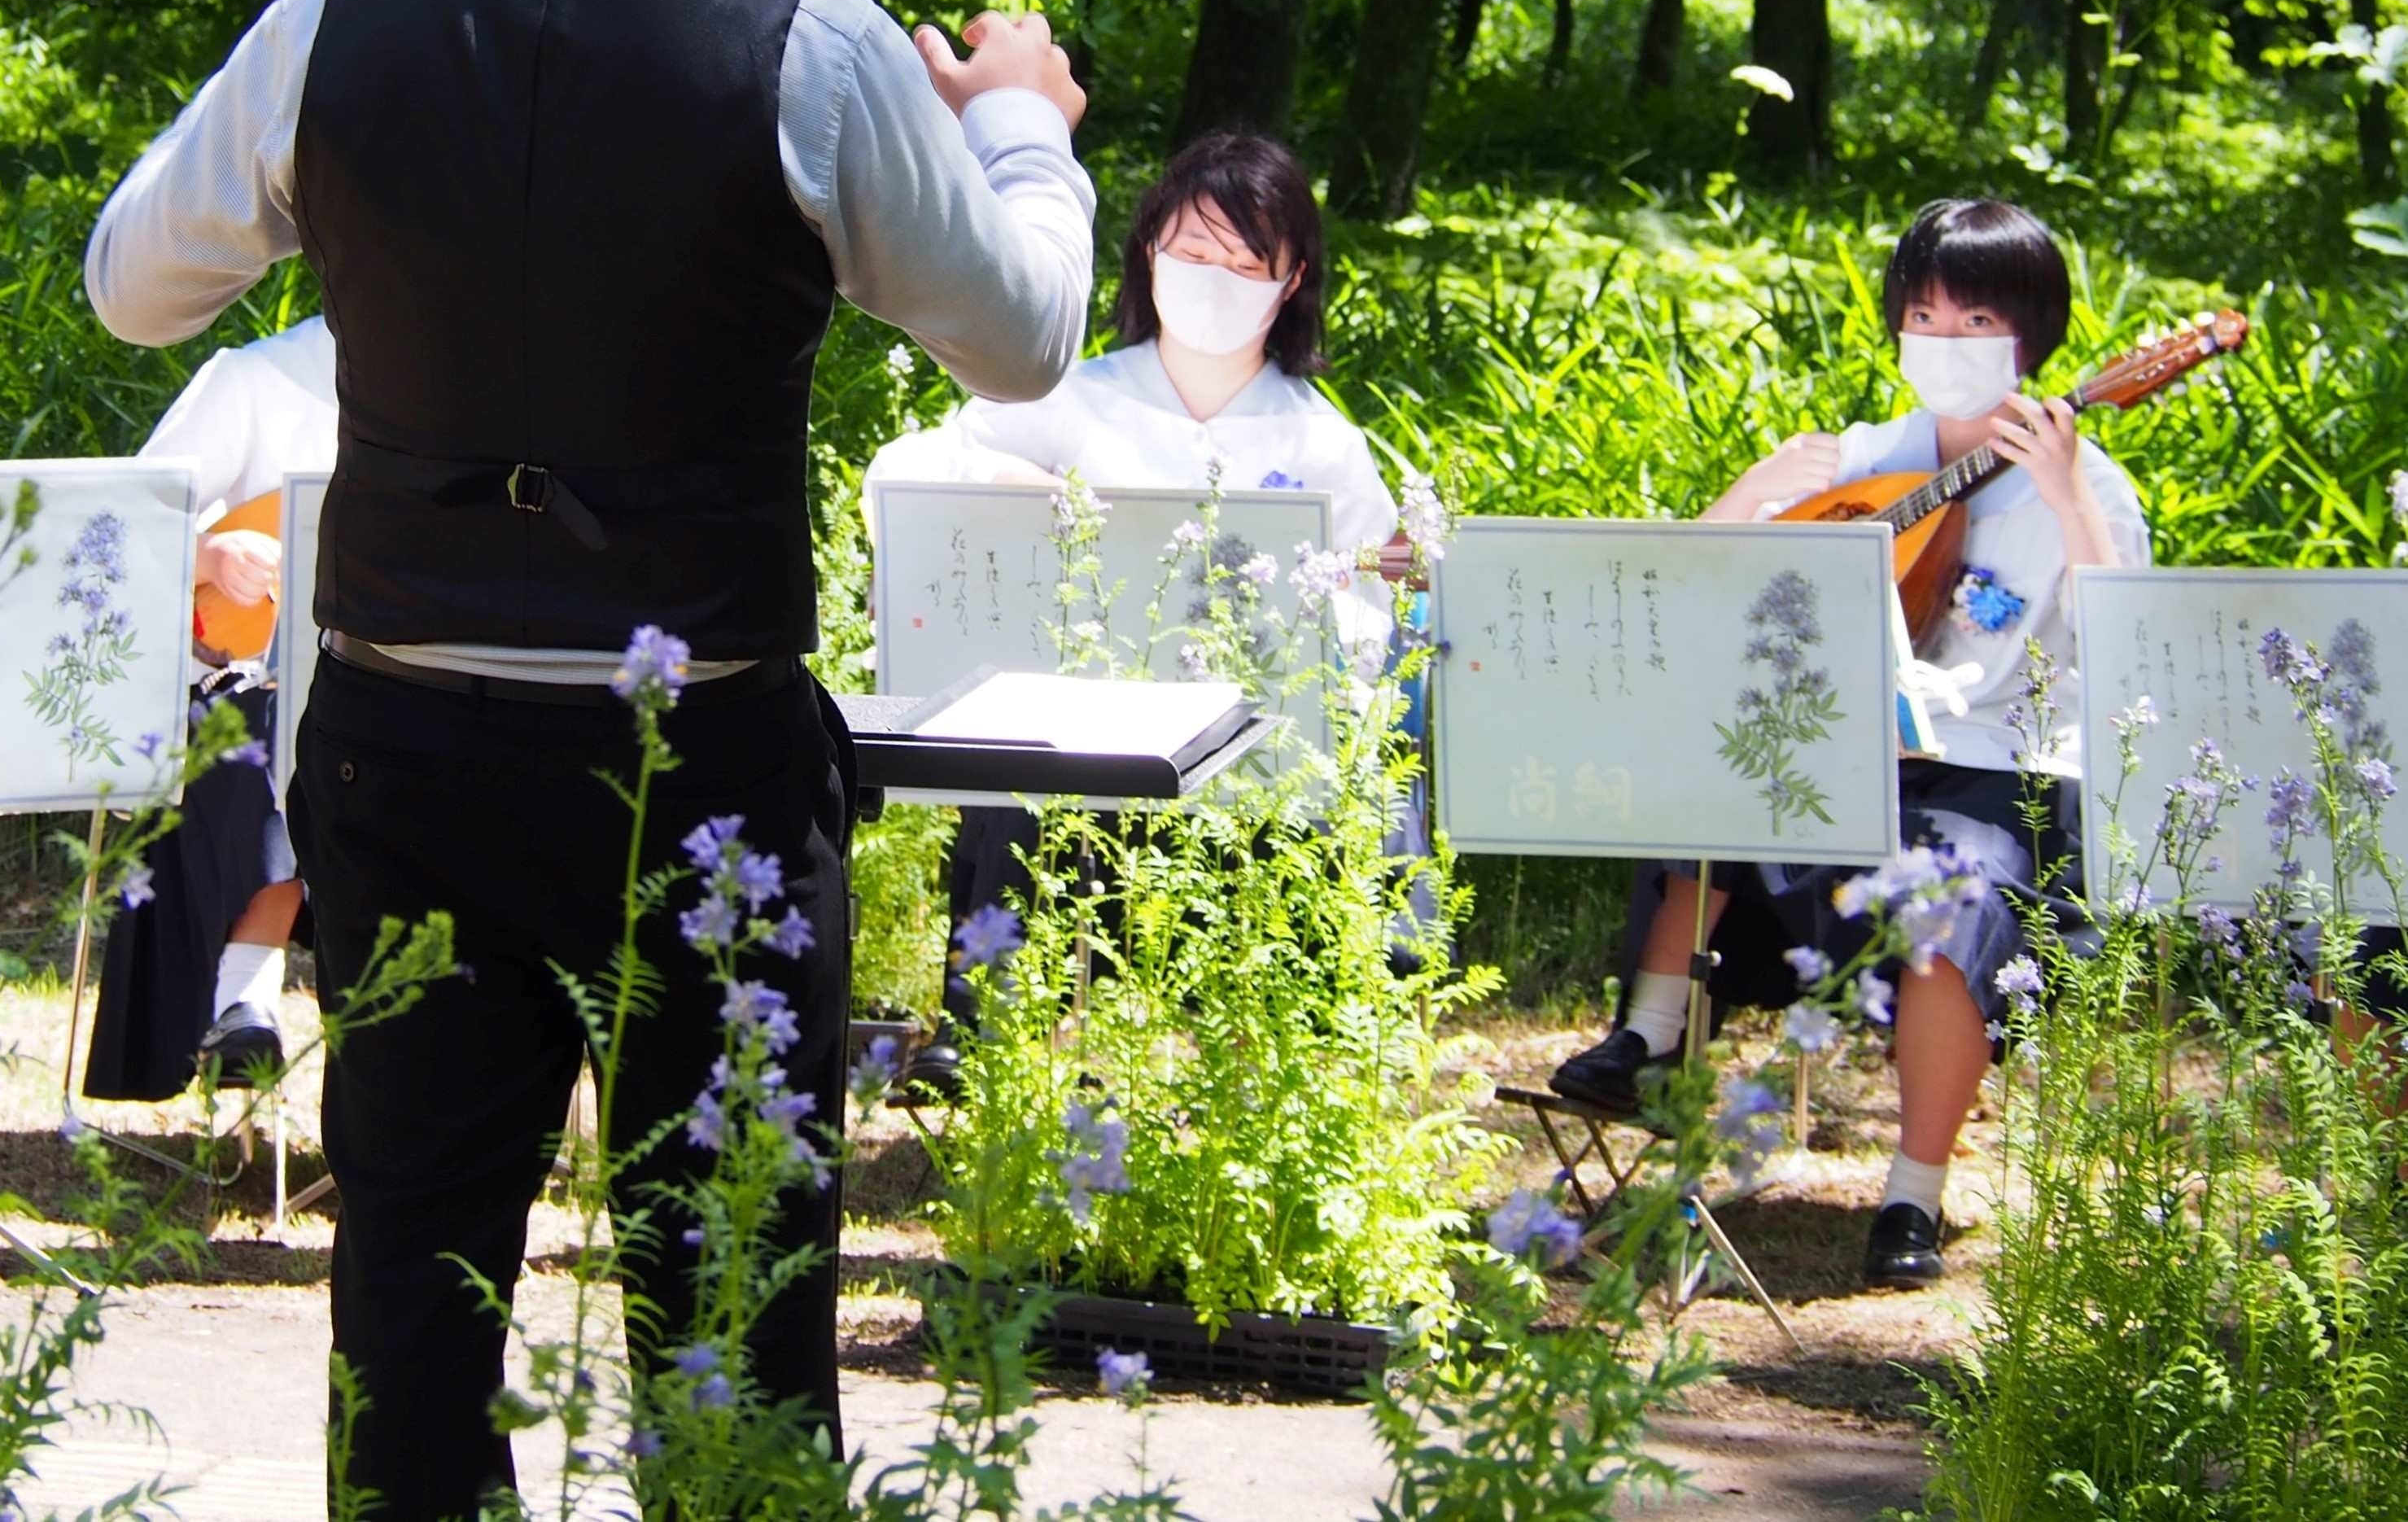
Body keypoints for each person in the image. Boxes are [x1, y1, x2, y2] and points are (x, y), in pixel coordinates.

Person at [81, 0, 1094, 1521]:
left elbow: (135, 286)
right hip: (695, 751)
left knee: (411, 1312)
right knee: (730, 1313)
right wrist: (1024, 124)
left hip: (404, 743)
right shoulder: (810, 35)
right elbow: (1025, 338)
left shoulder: (336, 16)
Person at [1547, 197, 2152, 1287]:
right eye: (1921, 315)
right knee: (1724, 784)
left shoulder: (2089, 482)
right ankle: (1644, 1037)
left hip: (1990, 775)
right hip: (1844, 746)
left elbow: (2128, 651)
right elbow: (1702, 578)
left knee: (1955, 902)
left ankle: (1909, 1195)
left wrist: (2064, 501)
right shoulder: (1865, 457)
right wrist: (1753, 490)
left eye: (1973, 322)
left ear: (2029, 334)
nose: (1943, 342)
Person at [863, 129, 1413, 1064]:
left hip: (1240, 759)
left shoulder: (1323, 446)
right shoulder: (1069, 395)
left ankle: (1310, 1033)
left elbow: (1360, 639)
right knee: (1014, 762)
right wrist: (1012, 487)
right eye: (1194, 252)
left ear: (1290, 284)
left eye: (1245, 263)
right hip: (1079, 743)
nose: (1213, 280)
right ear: (1149, 249)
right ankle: (988, 1021)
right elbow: (910, 482)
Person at [79, 317, 335, 1098]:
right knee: (277, 732)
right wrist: (211, 556)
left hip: (398, 693)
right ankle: (243, 989)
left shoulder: (465, 384)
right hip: (230, 685)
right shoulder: (256, 378)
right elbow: (115, 525)